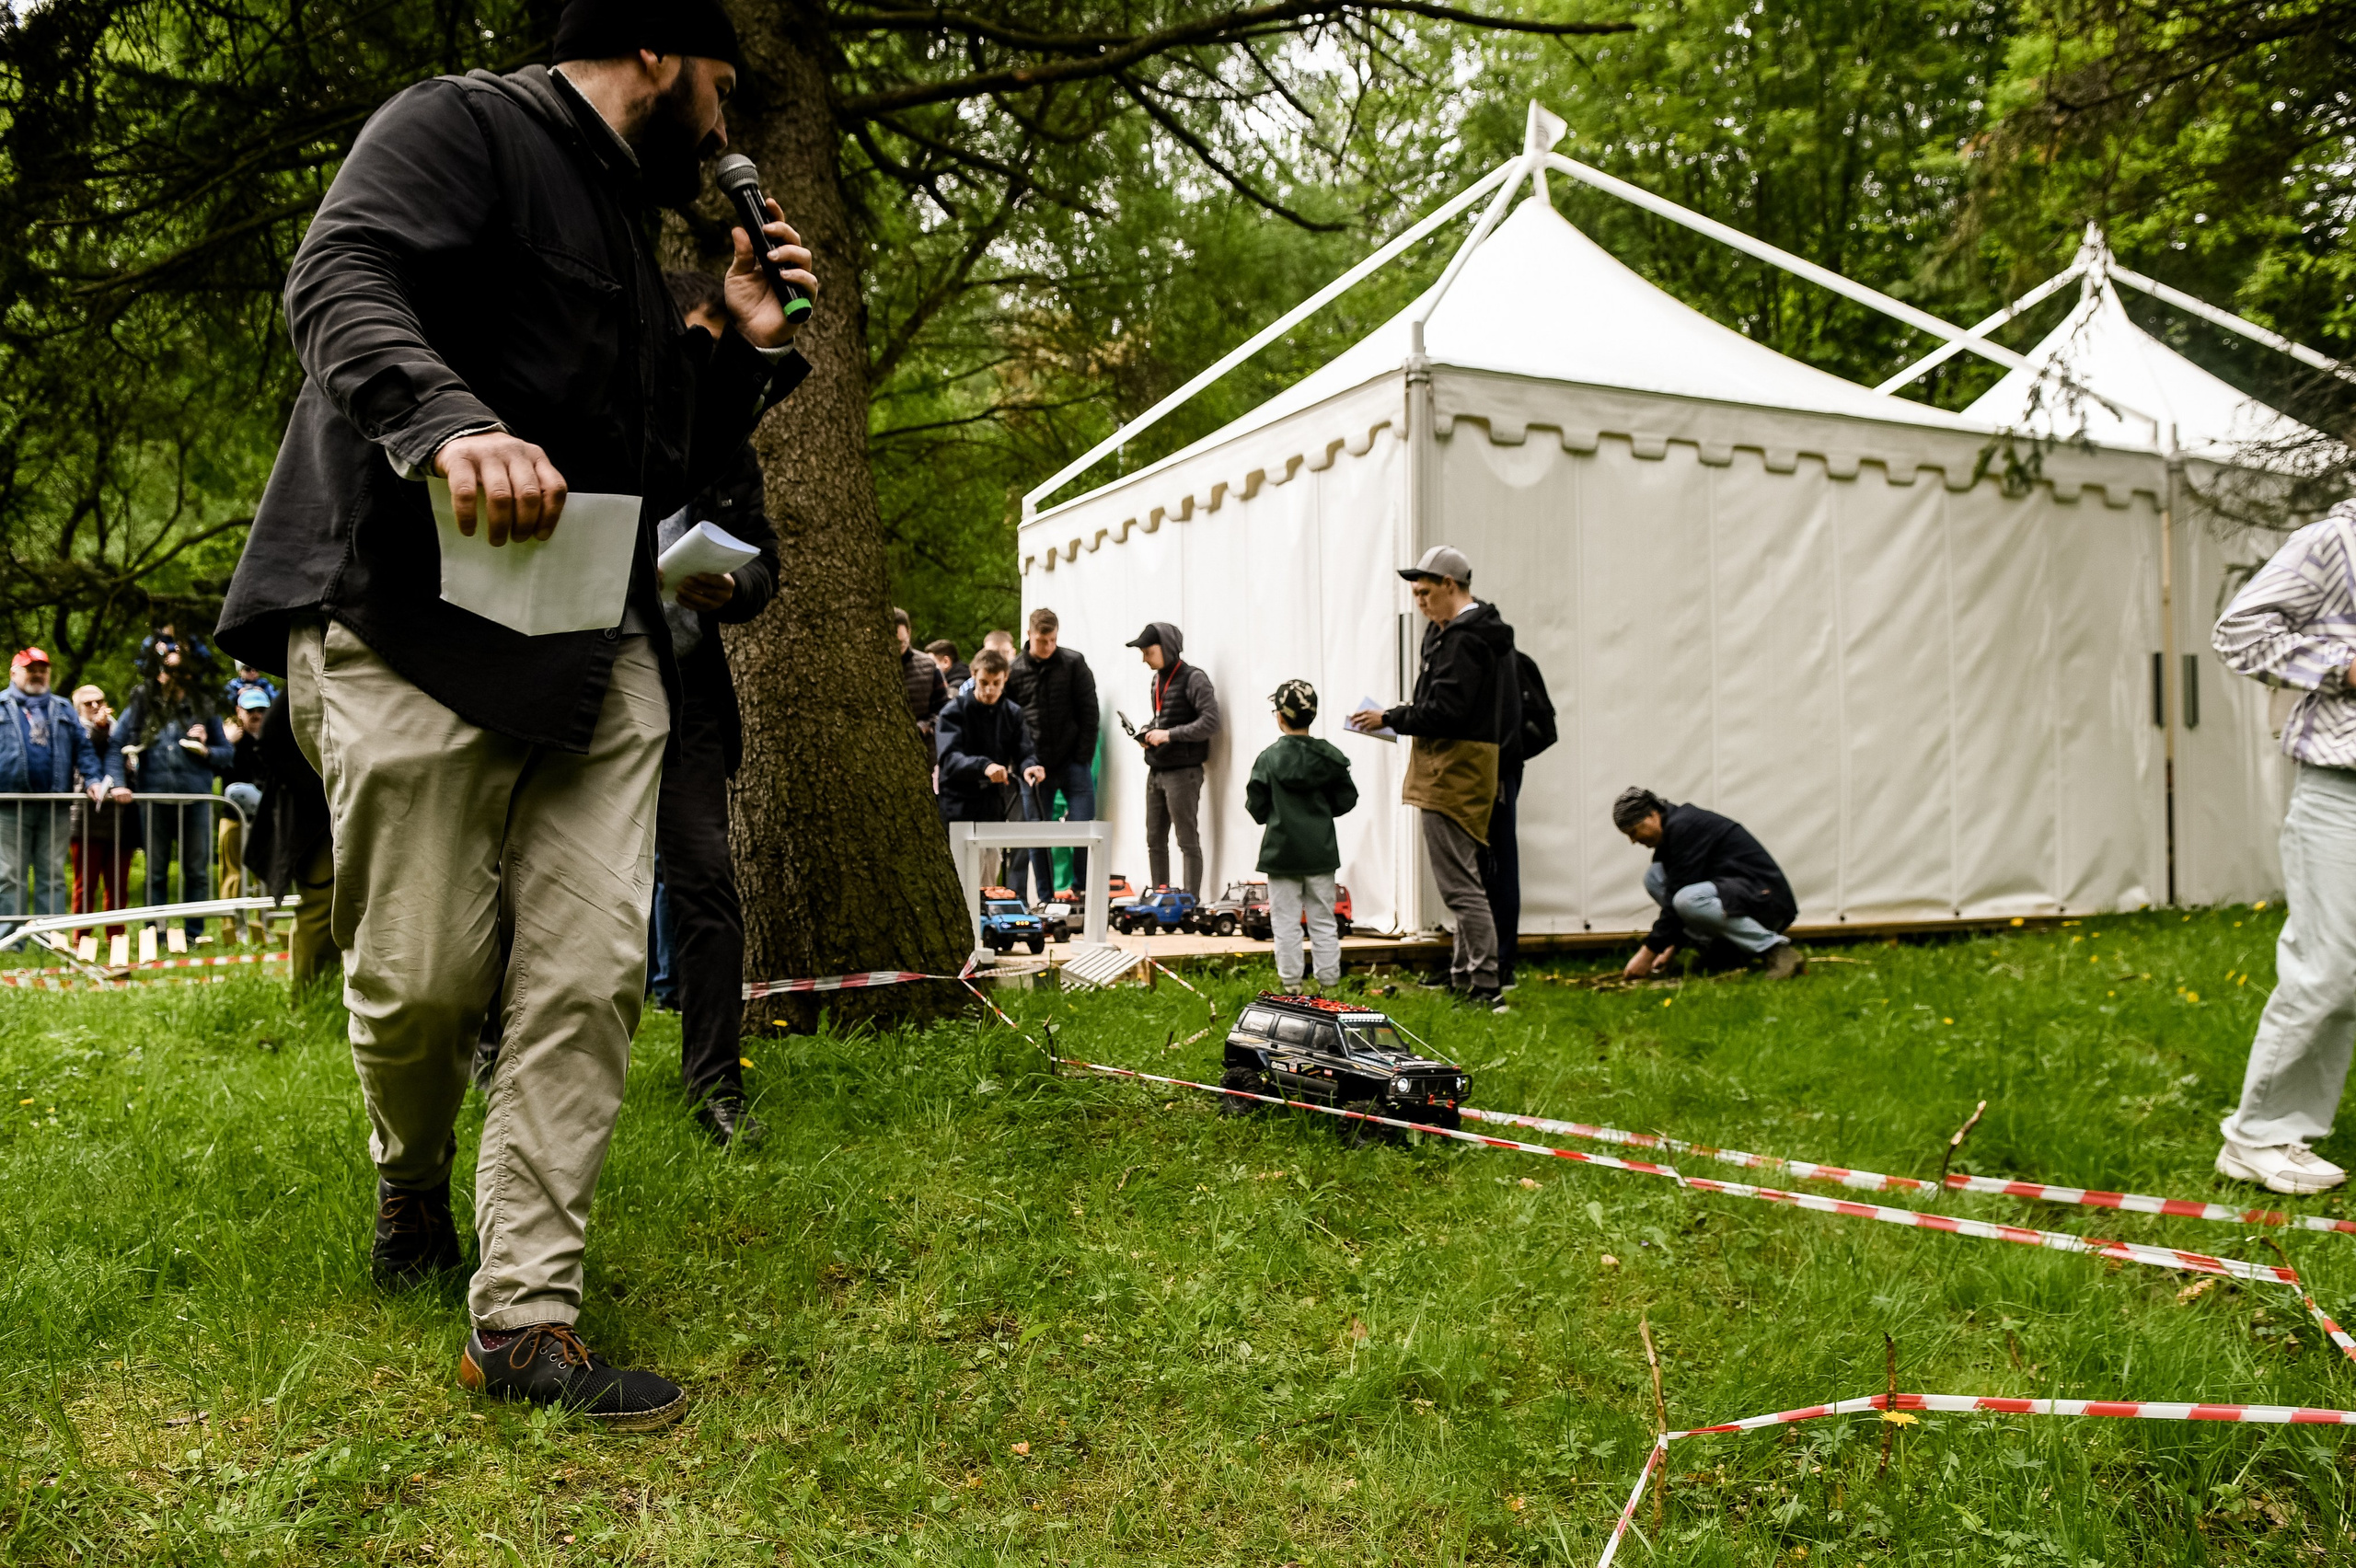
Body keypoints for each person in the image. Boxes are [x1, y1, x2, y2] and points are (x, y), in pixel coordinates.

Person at [212, 0, 815, 1428]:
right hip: (411, 623)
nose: (729, 131)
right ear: (661, 51)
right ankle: (410, 1184)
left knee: (593, 970)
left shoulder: (635, 232)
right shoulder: (458, 125)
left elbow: (669, 463)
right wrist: (449, 422)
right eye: (724, 91)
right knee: (421, 980)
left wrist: (736, 346)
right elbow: (341, 276)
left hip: (597, 645)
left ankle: (525, 1320)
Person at [651, 266, 781, 1149]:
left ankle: (714, 1085)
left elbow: (765, 564)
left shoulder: (729, 446)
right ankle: (498, 1046)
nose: (705, 353)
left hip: (689, 695)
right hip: (582, 688)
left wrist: (734, 588)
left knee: (704, 880)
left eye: (716, 340)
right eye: (694, 337)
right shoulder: (595, 419)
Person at [2208, 504, 2356, 1194]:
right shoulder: (2333, 541)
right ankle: (2258, 1137)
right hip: (2342, 786)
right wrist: (2346, 667)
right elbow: (2239, 632)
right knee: (2330, 968)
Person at [1346, 547, 1518, 1009]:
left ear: (1450, 585)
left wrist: (1391, 716)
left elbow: (1448, 711)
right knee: (1464, 881)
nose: (1420, 602)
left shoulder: (1465, 639)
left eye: (1425, 592)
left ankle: (1486, 988)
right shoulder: (1465, 633)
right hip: (1463, 764)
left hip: (1453, 767)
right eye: (1415, 595)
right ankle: (1467, 977)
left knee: (1462, 887)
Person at [106, 634, 235, 940]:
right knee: (156, 871)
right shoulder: (142, 700)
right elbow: (116, 744)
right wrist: (119, 784)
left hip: (196, 799)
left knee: (197, 871)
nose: (171, 676)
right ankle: (156, 933)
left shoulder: (203, 703)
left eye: (179, 670)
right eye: (166, 669)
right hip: (153, 798)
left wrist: (206, 751)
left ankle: (193, 933)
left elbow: (227, 754)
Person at [1612, 788, 1802, 980]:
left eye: (1634, 831)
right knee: (1655, 877)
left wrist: (1648, 953)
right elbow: (1677, 894)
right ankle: (1721, 953)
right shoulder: (1673, 833)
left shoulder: (1684, 827)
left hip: (1767, 902)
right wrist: (1671, 948)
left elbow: (1678, 899)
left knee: (1688, 899)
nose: (1633, 840)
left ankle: (1777, 950)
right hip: (1739, 895)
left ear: (1652, 815)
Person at [1245, 680, 1357, 992]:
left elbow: (1256, 805)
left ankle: (1291, 984)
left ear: (1281, 717)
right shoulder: (1330, 757)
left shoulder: (1268, 759)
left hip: (1280, 853)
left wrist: (1275, 815)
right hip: (1320, 852)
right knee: (1323, 920)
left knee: (1285, 922)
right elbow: (1347, 799)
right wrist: (1320, 816)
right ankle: (1329, 984)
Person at [0, 649, 104, 940]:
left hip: (55, 805)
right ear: (14, 673)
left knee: (53, 876)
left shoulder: (62, 708)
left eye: (42, 668)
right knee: (9, 875)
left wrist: (93, 780)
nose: (37, 674)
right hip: (8, 805)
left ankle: (50, 938)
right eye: (30, 668)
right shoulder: (0, 705)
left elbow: (84, 750)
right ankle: (9, 940)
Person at [242, 691, 340, 991]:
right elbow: (272, 737)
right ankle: (308, 1001)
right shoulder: (315, 663)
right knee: (323, 908)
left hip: (353, 806)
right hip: (320, 817)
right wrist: (322, 791)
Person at [1005, 607, 1100, 905]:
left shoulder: (1073, 663)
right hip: (1033, 765)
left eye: (1052, 640)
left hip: (1073, 762)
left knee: (1084, 827)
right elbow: (1009, 720)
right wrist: (1020, 763)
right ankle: (1045, 899)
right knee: (1037, 834)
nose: (1047, 647)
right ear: (1029, 636)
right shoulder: (1014, 670)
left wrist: (1082, 757)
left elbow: (1089, 712)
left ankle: (1081, 891)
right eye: (1041, 640)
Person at [1123, 621, 1220, 895]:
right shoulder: (1157, 680)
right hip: (1156, 770)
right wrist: (1149, 732)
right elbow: (1163, 719)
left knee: (1186, 840)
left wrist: (1169, 735)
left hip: (1184, 772)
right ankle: (1160, 896)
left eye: (1147, 651)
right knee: (1154, 839)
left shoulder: (1194, 678)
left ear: (1166, 648)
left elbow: (1211, 722)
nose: (1143, 658)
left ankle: (1191, 901)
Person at [1484, 649, 1556, 991]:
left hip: (1497, 770)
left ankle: (1500, 963)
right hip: (1499, 768)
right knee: (1483, 866)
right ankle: (1487, 960)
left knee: (1498, 863)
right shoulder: (1504, 657)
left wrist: (1504, 759)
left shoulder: (1502, 659)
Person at [936, 648, 1045, 825]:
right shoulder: (953, 711)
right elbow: (949, 759)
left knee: (992, 853)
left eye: (996, 683)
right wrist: (984, 766)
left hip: (993, 804)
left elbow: (1024, 751)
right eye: (983, 682)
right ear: (973, 675)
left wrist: (1029, 767)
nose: (989, 690)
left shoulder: (1012, 712)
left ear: (1006, 678)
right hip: (957, 804)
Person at [67, 685, 138, 942]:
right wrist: (99, 729)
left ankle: (116, 938)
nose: (97, 706)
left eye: (100, 701)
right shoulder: (74, 731)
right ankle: (81, 939)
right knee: (85, 886)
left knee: (118, 886)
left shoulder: (120, 730)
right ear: (79, 709)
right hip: (86, 820)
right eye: (89, 703)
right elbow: (87, 756)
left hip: (120, 820)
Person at [217, 686, 273, 944]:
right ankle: (232, 928)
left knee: (268, 873)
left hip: (267, 819)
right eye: (251, 710)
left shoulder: (273, 738)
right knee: (233, 874)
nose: (257, 715)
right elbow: (216, 769)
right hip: (234, 817)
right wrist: (227, 743)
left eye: (262, 710)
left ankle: (266, 926)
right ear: (239, 711)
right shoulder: (230, 739)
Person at [895, 608, 948, 742]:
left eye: (903, 642)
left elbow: (944, 709)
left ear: (909, 633)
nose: (899, 646)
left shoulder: (929, 666)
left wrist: (925, 727)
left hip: (924, 747)